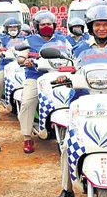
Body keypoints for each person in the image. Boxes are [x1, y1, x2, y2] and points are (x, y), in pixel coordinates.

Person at [52, 4, 107, 197]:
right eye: (98, 25)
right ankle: (67, 189)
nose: (102, 29)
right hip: (84, 100)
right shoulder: (80, 48)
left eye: (106, 25)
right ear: (91, 27)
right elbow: (72, 70)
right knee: (69, 144)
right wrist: (65, 76)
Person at [17, 11, 71, 154]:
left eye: (48, 24)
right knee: (28, 102)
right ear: (37, 26)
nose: (46, 26)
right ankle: (27, 137)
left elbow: (72, 55)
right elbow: (21, 57)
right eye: (42, 24)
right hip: (35, 76)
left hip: (59, 75)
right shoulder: (29, 41)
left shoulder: (62, 40)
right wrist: (25, 61)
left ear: (54, 25)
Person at [0, 17, 23, 121]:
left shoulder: (24, 39)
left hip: (21, 65)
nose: (13, 29)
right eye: (10, 27)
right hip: (5, 66)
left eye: (15, 27)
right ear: (6, 29)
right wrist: (0, 53)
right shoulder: (3, 39)